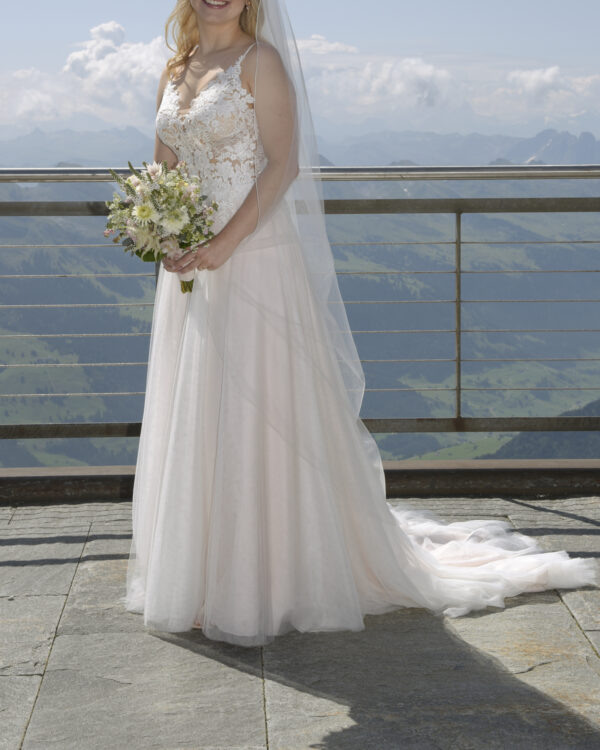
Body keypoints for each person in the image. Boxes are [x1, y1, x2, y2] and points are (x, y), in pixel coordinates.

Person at [122, 0, 599, 648]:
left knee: (254, 414)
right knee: (202, 415)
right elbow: (162, 172)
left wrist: (225, 244)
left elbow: (282, 166)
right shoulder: (173, 70)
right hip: (192, 274)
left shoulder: (260, 63)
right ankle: (202, 576)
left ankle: (265, 579)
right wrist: (158, 230)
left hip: (254, 261)